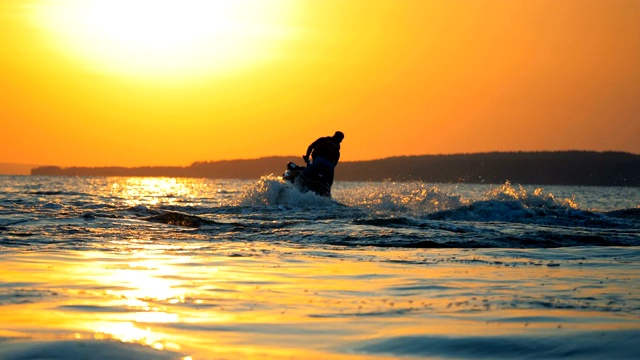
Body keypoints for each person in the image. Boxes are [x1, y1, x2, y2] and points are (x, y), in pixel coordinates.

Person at [296, 131, 344, 197]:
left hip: (319, 161)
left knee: (302, 175)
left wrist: (307, 156)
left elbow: (310, 147)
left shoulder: (323, 140)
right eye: (341, 140)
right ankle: (327, 198)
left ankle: (296, 186)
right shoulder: (337, 151)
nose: (341, 142)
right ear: (340, 140)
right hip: (330, 166)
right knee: (328, 186)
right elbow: (334, 164)